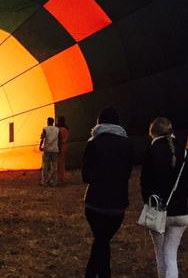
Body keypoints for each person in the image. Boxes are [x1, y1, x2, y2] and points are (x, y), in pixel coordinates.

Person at [140, 117, 188, 278]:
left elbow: (145, 185)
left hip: (157, 212)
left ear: (152, 133)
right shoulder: (187, 154)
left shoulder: (151, 153)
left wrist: (152, 201)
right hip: (181, 213)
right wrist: (179, 197)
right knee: (171, 256)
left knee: (161, 255)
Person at [82, 107, 133, 278]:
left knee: (100, 240)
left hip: (94, 203)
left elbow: (86, 177)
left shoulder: (93, 143)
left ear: (99, 122)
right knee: (102, 240)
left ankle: (97, 274)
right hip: (117, 205)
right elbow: (127, 173)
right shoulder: (127, 144)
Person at [39, 117, 59, 186]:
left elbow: (42, 138)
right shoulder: (57, 129)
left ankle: (45, 182)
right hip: (55, 149)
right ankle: (54, 182)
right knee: (54, 167)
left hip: (47, 149)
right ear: (53, 122)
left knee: (45, 166)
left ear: (48, 122)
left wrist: (40, 146)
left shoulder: (45, 129)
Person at [56, 116, 69, 184]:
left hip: (60, 146)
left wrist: (58, 148)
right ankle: (62, 178)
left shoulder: (59, 129)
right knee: (62, 164)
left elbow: (59, 139)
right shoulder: (66, 129)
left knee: (59, 164)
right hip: (64, 146)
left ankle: (60, 179)